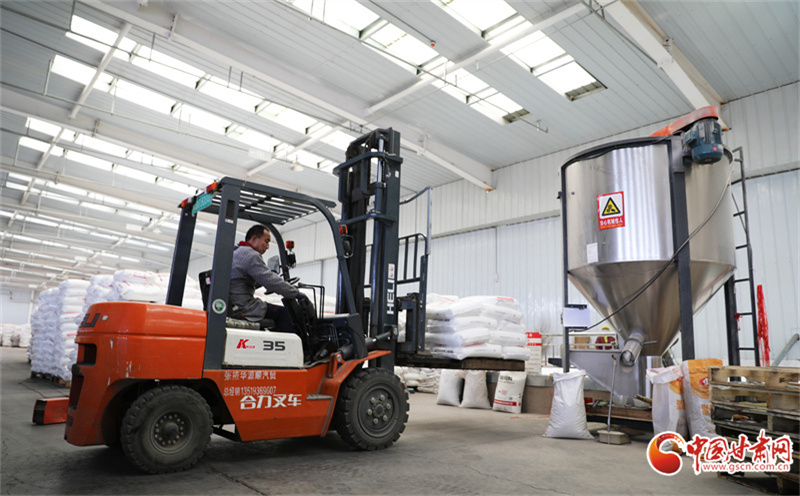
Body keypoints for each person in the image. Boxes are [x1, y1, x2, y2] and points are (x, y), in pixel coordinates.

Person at [229, 224, 301, 335]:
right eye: (266, 241)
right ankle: (296, 344)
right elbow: (271, 281)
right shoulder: (251, 255)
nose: (267, 247)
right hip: (245, 307)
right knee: (284, 313)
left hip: (235, 303)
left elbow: (247, 278)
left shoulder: (236, 252)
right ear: (254, 239)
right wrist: (296, 293)